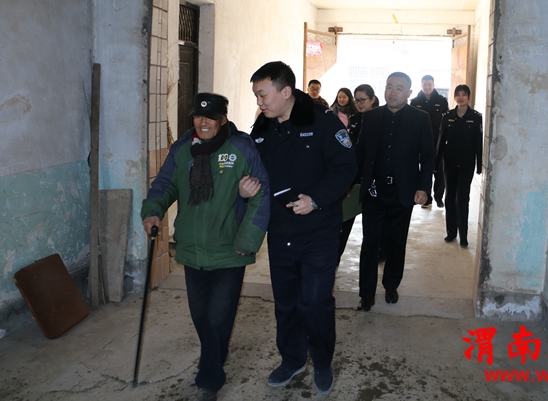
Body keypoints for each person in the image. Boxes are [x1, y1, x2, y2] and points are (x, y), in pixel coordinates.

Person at [141, 92, 270, 401]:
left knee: (217, 317)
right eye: (198, 116)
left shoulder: (240, 147)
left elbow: (262, 192)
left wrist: (247, 240)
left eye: (210, 116)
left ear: (223, 119)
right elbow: (165, 184)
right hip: (192, 248)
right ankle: (217, 353)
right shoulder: (182, 149)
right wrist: (153, 210)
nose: (203, 122)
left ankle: (209, 379)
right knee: (201, 316)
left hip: (230, 249)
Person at [248, 61, 356, 395]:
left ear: (285, 91)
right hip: (280, 232)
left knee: (315, 302)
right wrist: (245, 187)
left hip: (318, 231)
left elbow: (345, 167)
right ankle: (292, 359)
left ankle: (322, 362)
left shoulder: (323, 122)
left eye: (263, 95)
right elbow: (252, 169)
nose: (259, 102)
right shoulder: (262, 128)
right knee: (286, 303)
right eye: (256, 96)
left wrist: (316, 200)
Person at [355, 72, 434, 312]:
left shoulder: (420, 118)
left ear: (409, 93)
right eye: (389, 86)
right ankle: (366, 294)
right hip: (374, 190)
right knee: (370, 243)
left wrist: (423, 188)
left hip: (403, 191)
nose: (393, 92)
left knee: (397, 242)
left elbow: (427, 156)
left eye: (399, 88)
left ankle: (391, 285)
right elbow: (360, 152)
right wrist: (348, 183)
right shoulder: (371, 117)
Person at [436, 85, 483, 247]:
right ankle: (451, 233)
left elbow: (478, 143)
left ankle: (463, 236)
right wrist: (436, 163)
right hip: (449, 162)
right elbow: (441, 141)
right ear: (455, 97)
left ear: (469, 97)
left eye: (464, 94)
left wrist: (479, 164)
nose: (461, 97)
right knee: (449, 197)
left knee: (462, 198)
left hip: (467, 164)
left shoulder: (476, 117)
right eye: (458, 94)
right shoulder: (447, 116)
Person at [337, 84, 378, 266]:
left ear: (372, 100)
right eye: (357, 100)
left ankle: (378, 254)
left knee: (373, 226)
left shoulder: (380, 118)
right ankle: (335, 256)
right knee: (345, 219)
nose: (360, 103)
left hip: (372, 177)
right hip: (353, 177)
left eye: (363, 100)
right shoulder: (353, 119)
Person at [410, 75, 449, 208]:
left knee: (439, 170)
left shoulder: (442, 101)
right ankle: (426, 198)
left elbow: (446, 123)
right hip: (420, 141)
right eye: (425, 84)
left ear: (433, 85)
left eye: (429, 84)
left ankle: (438, 196)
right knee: (424, 169)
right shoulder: (415, 102)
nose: (427, 87)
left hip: (438, 140)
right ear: (421, 85)